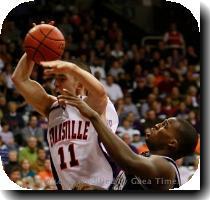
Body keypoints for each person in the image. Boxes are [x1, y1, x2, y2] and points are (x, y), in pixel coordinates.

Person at [11, 23, 118, 190]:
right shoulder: (52, 108)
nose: (55, 84)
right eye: (56, 79)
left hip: (103, 187)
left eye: (62, 78)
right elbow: (20, 79)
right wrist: (35, 46)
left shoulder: (96, 106)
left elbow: (100, 94)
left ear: (80, 84)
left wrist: (72, 67)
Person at [56, 92, 199, 190]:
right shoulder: (146, 160)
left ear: (172, 143)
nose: (157, 125)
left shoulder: (166, 168)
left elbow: (129, 161)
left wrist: (94, 117)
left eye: (164, 126)